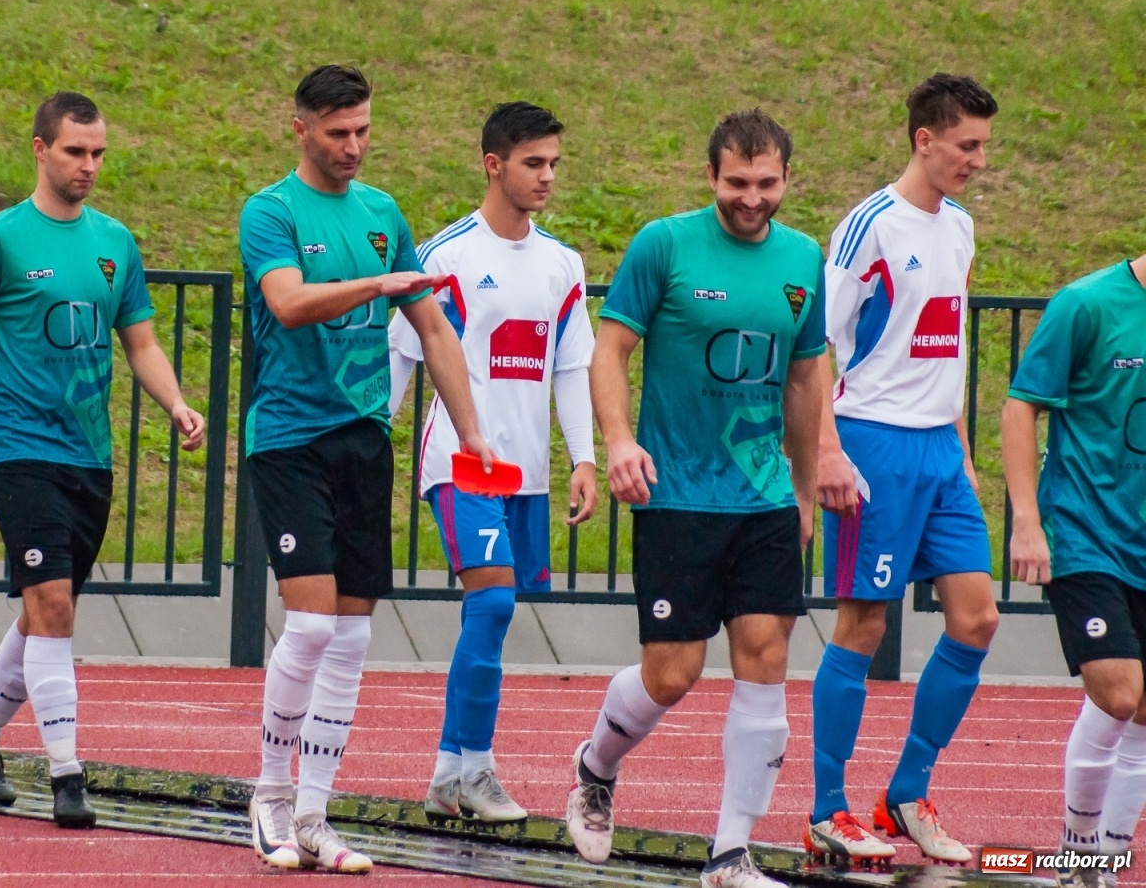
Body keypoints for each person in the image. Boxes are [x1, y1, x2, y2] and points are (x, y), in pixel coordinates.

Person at [0, 91, 207, 828]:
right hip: (20, 449)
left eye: (97, 153)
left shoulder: (115, 242)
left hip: (90, 457)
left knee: (43, 611)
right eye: (74, 151)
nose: (88, 165)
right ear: (39, 149)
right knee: (53, 606)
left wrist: (177, 403)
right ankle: (68, 776)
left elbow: (142, 342)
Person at [240, 65, 492, 873]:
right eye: (338, 133)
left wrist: (472, 433)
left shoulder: (384, 212)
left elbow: (436, 330)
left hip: (362, 438)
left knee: (351, 635)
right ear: (302, 129)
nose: (353, 147)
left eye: (363, 132)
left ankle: (315, 814)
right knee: (310, 624)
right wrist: (377, 283)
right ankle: (270, 797)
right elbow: (288, 302)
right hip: (288, 438)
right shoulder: (270, 212)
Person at [565, 109, 825, 888]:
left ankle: (730, 855)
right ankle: (595, 766)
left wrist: (804, 491)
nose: (752, 198)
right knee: (673, 674)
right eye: (738, 182)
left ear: (787, 179)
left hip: (764, 499)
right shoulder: (665, 245)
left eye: (767, 183)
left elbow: (807, 378)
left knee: (765, 659)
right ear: (712, 176)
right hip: (677, 493)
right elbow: (608, 350)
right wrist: (617, 440)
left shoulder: (804, 258)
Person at [808, 74, 1002, 865]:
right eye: (969, 145)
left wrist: (959, 443)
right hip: (873, 444)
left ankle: (906, 793)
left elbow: (947, 340)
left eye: (985, 145)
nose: (980, 161)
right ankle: (827, 807)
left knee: (978, 618)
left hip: (938, 451)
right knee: (865, 623)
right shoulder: (869, 228)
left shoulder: (958, 228)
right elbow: (815, 347)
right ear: (926, 140)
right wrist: (826, 449)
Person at [385, 101, 597, 823]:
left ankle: (452, 774)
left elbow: (572, 367)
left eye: (553, 165)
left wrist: (585, 459)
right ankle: (469, 768)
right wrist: (366, 444)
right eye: (533, 163)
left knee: (497, 612)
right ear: (493, 164)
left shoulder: (563, 263)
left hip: (526, 472)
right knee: (495, 601)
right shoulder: (447, 256)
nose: (546, 178)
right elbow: (404, 353)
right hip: (459, 460)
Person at [1003, 252, 1146, 888]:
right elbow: (1019, 406)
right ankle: (1079, 848)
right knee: (1117, 691)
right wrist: (1028, 522)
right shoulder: (1086, 304)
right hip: (1085, 530)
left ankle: (1107, 861)